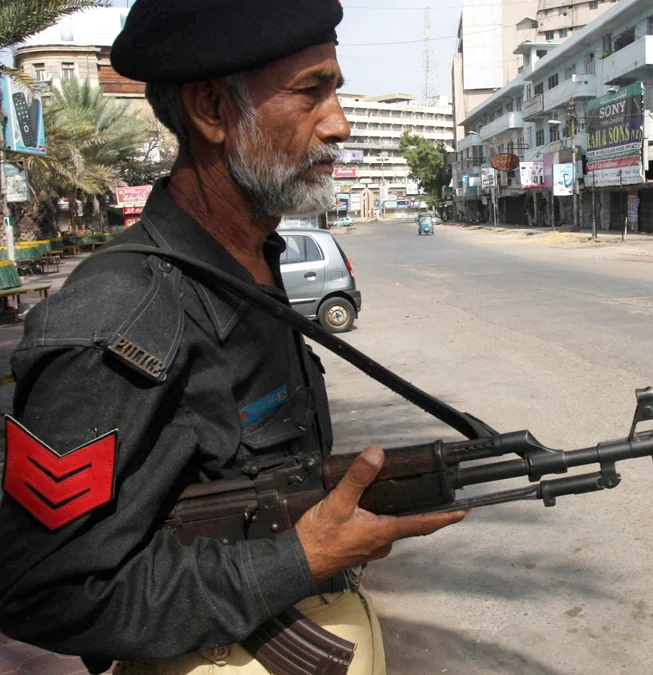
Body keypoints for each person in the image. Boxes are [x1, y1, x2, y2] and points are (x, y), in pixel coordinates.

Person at [0, 1, 465, 673]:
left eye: (335, 89)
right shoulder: (113, 319)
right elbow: (41, 588)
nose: (339, 122)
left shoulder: (255, 265)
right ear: (212, 110)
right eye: (312, 91)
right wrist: (297, 560)